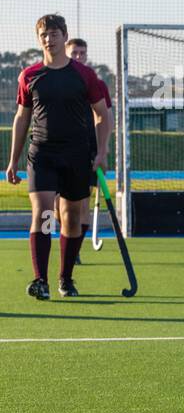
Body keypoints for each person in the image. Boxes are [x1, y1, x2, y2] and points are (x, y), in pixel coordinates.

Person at [5, 15, 110, 299]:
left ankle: (66, 278)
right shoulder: (29, 75)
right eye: (43, 35)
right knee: (44, 214)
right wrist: (13, 160)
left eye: (53, 34)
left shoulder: (84, 75)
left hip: (77, 155)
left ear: (64, 36)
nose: (48, 39)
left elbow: (103, 115)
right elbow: (21, 117)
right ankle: (41, 280)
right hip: (42, 153)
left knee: (72, 219)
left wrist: (101, 152)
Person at [65, 37, 113, 261]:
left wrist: (103, 149)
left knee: (81, 205)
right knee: (60, 208)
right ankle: (68, 240)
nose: (79, 57)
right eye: (74, 53)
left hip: (87, 150)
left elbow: (105, 116)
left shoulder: (96, 83)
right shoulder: (58, 79)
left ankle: (74, 251)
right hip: (59, 149)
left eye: (82, 53)